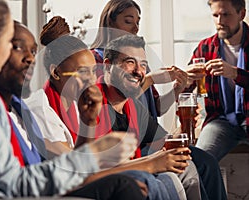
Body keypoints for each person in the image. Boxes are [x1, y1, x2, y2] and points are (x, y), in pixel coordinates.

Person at [0, 1, 146, 199]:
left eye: (34, 52)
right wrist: (95, 156)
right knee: (125, 186)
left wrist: (88, 127)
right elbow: (13, 184)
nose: (30, 59)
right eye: (11, 44)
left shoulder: (16, 107)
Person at [0, 20, 184, 200]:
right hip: (54, 185)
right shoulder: (40, 109)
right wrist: (147, 163)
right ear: (56, 72)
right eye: (83, 72)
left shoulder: (74, 105)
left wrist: (88, 122)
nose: (92, 80)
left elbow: (80, 161)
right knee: (137, 181)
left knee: (169, 178)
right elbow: (75, 170)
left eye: (93, 71)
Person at [97, 34, 227, 200]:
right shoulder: (92, 103)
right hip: (118, 177)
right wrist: (153, 162)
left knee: (202, 162)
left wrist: (185, 127)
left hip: (136, 167)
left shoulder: (133, 106)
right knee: (178, 174)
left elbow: (164, 141)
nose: (138, 71)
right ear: (107, 66)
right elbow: (100, 166)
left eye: (143, 65)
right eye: (129, 62)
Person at [90, 0, 188, 119]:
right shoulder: (94, 59)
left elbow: (157, 109)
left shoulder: (139, 63)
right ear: (110, 22)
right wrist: (150, 79)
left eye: (137, 22)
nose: (135, 28)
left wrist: (176, 90)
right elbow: (110, 106)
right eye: (128, 21)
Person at [185, 0, 249, 161]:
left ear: (242, 14)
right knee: (199, 161)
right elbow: (186, 89)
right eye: (215, 15)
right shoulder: (205, 47)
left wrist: (235, 73)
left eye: (226, 15)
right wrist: (185, 80)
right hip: (220, 121)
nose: (219, 21)